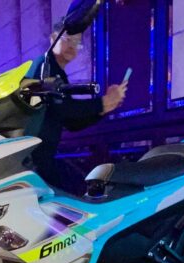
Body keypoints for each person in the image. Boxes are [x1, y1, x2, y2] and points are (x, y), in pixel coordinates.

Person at [24, 20, 127, 190]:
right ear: (53, 38)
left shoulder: (58, 73)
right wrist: (102, 103)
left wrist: (104, 108)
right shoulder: (44, 65)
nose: (73, 46)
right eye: (68, 39)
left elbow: (72, 123)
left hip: (42, 157)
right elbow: (63, 108)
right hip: (32, 159)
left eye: (77, 42)